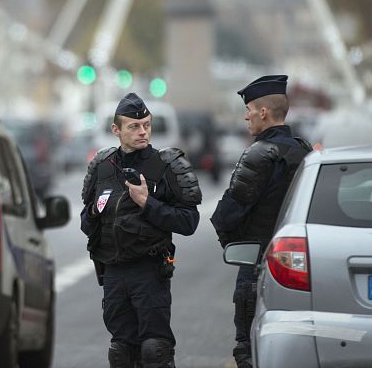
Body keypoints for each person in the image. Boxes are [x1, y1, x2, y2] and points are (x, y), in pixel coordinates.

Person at [80, 92, 202, 368]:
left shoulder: (166, 165)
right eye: (134, 126)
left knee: (154, 351)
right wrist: (93, 213)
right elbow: (87, 223)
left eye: (146, 125)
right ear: (116, 130)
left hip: (149, 272)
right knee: (121, 351)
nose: (142, 131)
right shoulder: (102, 166)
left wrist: (148, 203)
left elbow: (188, 222)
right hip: (112, 273)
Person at [210, 75, 312, 368]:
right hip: (298, 266)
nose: (246, 116)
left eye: (250, 110)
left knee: (250, 350)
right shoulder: (305, 153)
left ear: (263, 112)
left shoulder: (259, 155)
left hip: (258, 265)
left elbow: (225, 217)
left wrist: (238, 247)